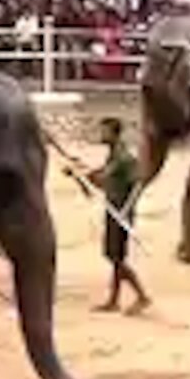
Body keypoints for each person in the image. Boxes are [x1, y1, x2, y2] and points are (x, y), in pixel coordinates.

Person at [73, 117, 151, 315]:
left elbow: (138, 184)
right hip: (112, 210)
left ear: (114, 134)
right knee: (115, 256)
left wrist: (126, 209)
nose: (101, 135)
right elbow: (98, 181)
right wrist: (78, 175)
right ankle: (114, 300)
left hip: (120, 214)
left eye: (104, 131)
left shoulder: (124, 157)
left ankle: (142, 296)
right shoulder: (114, 156)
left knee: (115, 257)